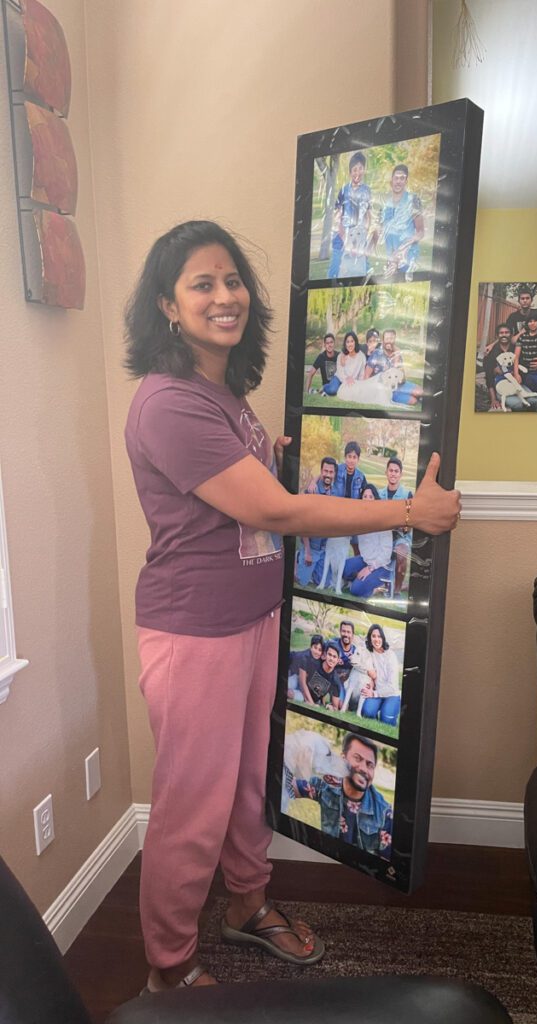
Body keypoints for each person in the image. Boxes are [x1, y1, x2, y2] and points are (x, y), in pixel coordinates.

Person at [123, 219, 460, 992]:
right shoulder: (169, 403)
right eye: (202, 284)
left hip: (254, 619)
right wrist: (410, 512)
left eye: (232, 279)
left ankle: (247, 905)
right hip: (195, 632)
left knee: (250, 784)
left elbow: (239, 493)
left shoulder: (222, 393)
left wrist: (269, 456)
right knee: (191, 807)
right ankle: (168, 971)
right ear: (168, 306)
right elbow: (273, 513)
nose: (225, 296)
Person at [293, 733, 393, 859]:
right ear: (342, 759)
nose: (364, 769)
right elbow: (289, 786)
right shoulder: (326, 785)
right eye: (357, 758)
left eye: (370, 765)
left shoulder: (384, 813)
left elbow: (387, 863)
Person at [343, 485, 394, 598]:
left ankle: (382, 585)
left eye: (370, 497)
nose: (367, 499)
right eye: (364, 496)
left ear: (376, 499)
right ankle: (362, 579)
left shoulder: (383, 521)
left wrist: (369, 569)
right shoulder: (361, 519)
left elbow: (386, 554)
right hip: (365, 560)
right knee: (343, 568)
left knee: (356, 590)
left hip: (381, 565)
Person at [373, 164, 424, 278]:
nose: (398, 181)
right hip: (391, 262)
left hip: (408, 260)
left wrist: (402, 249)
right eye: (396, 178)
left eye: (402, 178)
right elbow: (380, 233)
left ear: (406, 181)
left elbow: (420, 232)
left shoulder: (413, 200)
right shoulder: (384, 205)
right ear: (391, 181)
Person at [328, 152, 371, 279]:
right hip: (342, 237)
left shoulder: (367, 190)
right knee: (335, 271)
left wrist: (364, 235)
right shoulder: (344, 190)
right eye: (354, 170)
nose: (357, 173)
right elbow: (337, 217)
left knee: (364, 271)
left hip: (359, 238)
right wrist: (345, 239)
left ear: (364, 170)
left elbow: (368, 216)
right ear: (350, 172)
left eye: (360, 168)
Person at [295, 457, 336, 586]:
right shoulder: (312, 491)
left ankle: (313, 566)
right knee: (302, 582)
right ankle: (299, 556)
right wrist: (307, 552)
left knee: (324, 583)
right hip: (311, 547)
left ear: (335, 473)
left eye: (331, 472)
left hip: (324, 548)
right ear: (321, 471)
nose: (328, 474)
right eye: (325, 471)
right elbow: (303, 524)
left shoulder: (335, 491)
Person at [378, 457, 412, 594]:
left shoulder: (407, 495)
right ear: (386, 472)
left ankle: (397, 591)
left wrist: (397, 525)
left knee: (401, 553)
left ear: (400, 474)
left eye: (396, 471)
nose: (393, 474)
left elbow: (410, 524)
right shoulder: (379, 494)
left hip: (400, 537)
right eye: (391, 470)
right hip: (381, 538)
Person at [364, 328, 423, 406]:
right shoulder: (376, 354)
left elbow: (402, 379)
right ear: (383, 341)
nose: (389, 341)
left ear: (395, 340)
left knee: (421, 391)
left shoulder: (397, 354)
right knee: (413, 401)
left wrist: (397, 356)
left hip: (399, 385)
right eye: (387, 338)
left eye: (391, 338)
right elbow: (366, 375)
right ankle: (414, 398)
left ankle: (419, 398)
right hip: (385, 390)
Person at [359, 624, 401, 726]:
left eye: (379, 636)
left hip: (391, 694)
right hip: (377, 691)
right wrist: (369, 681)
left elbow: (392, 686)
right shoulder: (369, 653)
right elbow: (361, 664)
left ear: (383, 638)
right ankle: (378, 708)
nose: (376, 639)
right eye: (373, 636)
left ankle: (387, 710)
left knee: (386, 722)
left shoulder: (390, 655)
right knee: (367, 713)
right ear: (370, 638)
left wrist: (373, 694)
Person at [298, 640, 344, 709]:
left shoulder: (335, 681)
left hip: (314, 700)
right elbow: (302, 682)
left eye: (334, 657)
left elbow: (335, 707)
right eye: (329, 655)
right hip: (299, 689)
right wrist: (311, 703)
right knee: (296, 696)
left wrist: (331, 707)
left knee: (340, 703)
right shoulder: (315, 663)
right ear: (325, 655)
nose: (331, 659)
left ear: (338, 660)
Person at [483, 323, 517, 411]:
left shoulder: (515, 349)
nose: (504, 335)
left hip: (516, 383)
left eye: (507, 332)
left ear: (511, 334)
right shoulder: (491, 352)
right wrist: (493, 399)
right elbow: (489, 377)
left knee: (534, 401)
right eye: (501, 333)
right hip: (500, 386)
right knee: (517, 404)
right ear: (497, 336)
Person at [323, 331, 366, 396]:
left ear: (355, 342)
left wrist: (359, 385)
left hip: (352, 381)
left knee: (353, 393)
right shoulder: (341, 355)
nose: (350, 344)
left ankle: (340, 387)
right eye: (347, 342)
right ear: (345, 344)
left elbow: (361, 374)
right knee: (332, 390)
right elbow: (340, 372)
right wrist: (347, 379)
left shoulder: (361, 356)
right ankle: (325, 387)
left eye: (352, 341)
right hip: (339, 378)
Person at [287, 634, 323, 702]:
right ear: (311, 647)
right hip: (294, 675)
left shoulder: (320, 660)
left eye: (320, 650)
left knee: (292, 695)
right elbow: (302, 683)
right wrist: (311, 703)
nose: (317, 652)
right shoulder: (305, 658)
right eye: (315, 648)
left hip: (304, 686)